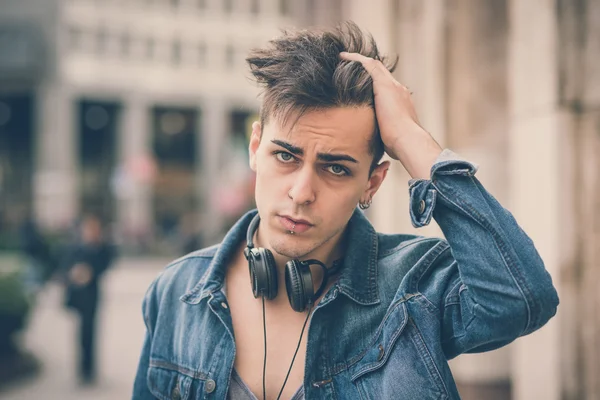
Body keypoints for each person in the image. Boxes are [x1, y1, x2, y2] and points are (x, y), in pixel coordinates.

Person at [132, 23, 558, 400]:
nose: (301, 192)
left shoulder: (413, 288)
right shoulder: (176, 294)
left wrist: (411, 138)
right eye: (285, 156)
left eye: (336, 168)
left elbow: (521, 298)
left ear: (371, 182)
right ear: (255, 148)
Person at [63, 214, 116, 385]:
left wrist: (90, 272)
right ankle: (82, 368)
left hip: (92, 295)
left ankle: (89, 369)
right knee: (81, 332)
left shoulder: (101, 248)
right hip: (78, 295)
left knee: (90, 331)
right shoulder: (76, 247)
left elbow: (107, 262)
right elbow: (65, 265)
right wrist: (74, 273)